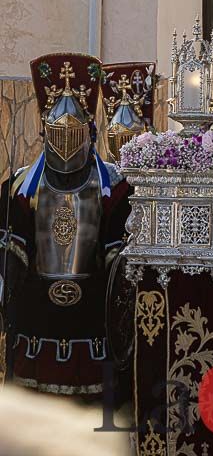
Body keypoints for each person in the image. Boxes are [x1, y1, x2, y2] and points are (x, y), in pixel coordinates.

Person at [0, 54, 132, 396]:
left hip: (91, 314)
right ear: (45, 131)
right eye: (59, 132)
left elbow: (117, 262)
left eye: (74, 132)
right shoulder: (19, 187)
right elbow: (12, 260)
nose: (66, 141)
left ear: (90, 131)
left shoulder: (113, 187)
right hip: (36, 315)